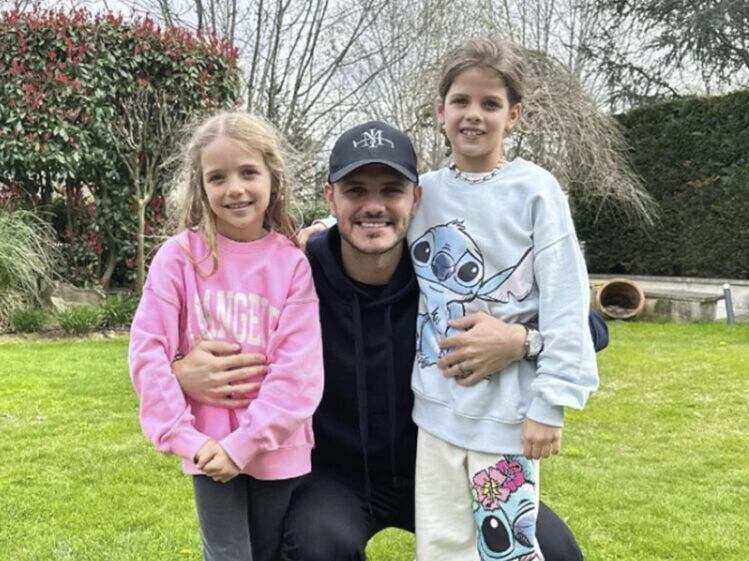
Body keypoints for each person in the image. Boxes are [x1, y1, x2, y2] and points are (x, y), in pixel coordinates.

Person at [174, 120, 608, 561]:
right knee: (319, 546)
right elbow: (219, 325)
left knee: (554, 549)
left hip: (442, 462)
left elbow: (587, 327)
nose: (374, 206)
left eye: (391, 190)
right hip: (335, 478)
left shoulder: (445, 270)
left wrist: (520, 340)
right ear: (331, 198)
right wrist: (179, 370)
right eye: (356, 190)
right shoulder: (298, 271)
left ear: (416, 198)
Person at [402, 38, 599, 561]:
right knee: (442, 548)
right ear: (439, 109)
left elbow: (565, 299)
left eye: (490, 104)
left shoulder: (536, 191)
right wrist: (319, 230)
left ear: (514, 115)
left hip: (507, 419)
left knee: (505, 547)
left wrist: (551, 405)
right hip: (436, 415)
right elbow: (375, 219)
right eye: (461, 101)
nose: (474, 115)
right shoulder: (422, 192)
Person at [128, 112, 324, 561]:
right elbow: (147, 351)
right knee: (227, 554)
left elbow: (300, 373)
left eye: (248, 172)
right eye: (218, 176)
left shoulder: (292, 265)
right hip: (207, 449)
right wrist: (186, 439)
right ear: (201, 185)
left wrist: (247, 444)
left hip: (277, 447)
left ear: (273, 177)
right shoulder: (177, 259)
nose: (234, 188)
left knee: (272, 551)